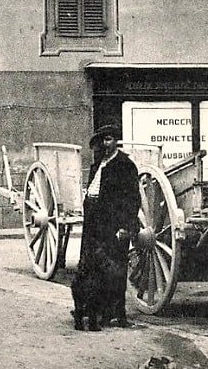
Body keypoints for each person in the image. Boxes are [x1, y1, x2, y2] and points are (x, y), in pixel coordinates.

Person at [71, 124, 140, 331]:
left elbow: (132, 198)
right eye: (102, 140)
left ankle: (117, 313)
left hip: (113, 223)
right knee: (92, 267)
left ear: (116, 141)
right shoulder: (98, 164)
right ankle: (95, 309)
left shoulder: (125, 165)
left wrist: (125, 226)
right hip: (94, 222)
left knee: (115, 267)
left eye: (108, 139)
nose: (105, 144)